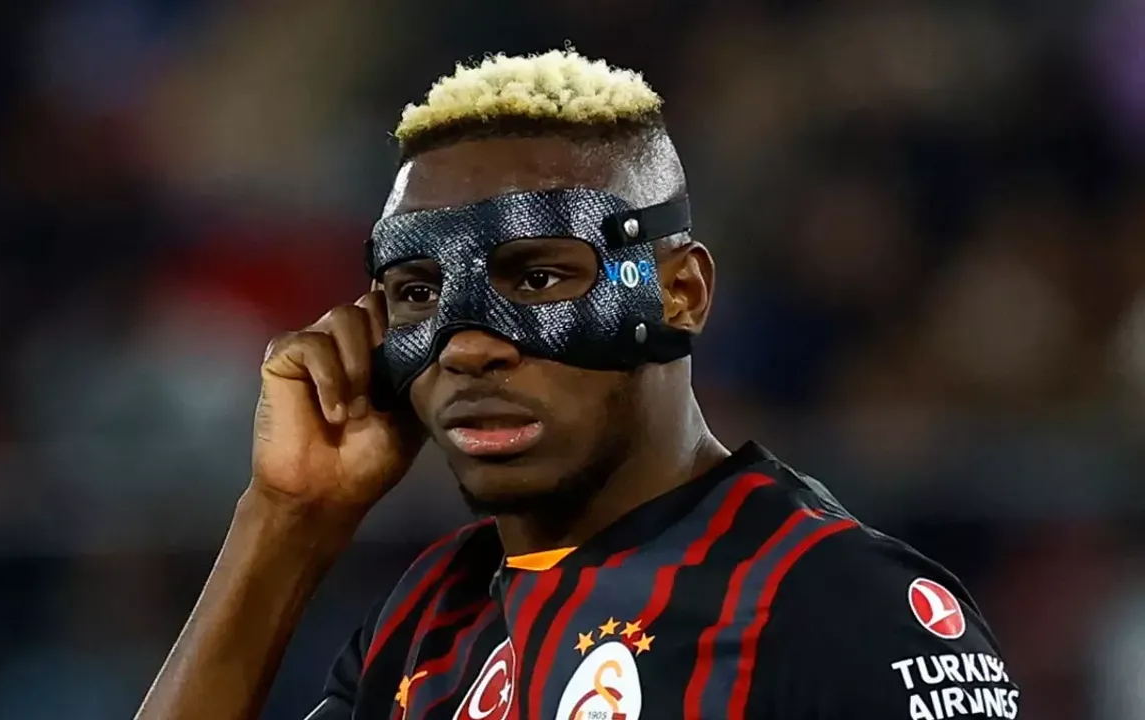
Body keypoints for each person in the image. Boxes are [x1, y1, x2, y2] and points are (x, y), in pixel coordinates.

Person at [136, 50, 1021, 720]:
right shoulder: (425, 623)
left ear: (680, 292)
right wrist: (286, 522)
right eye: (418, 294)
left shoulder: (838, 605)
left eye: (537, 278)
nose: (468, 347)